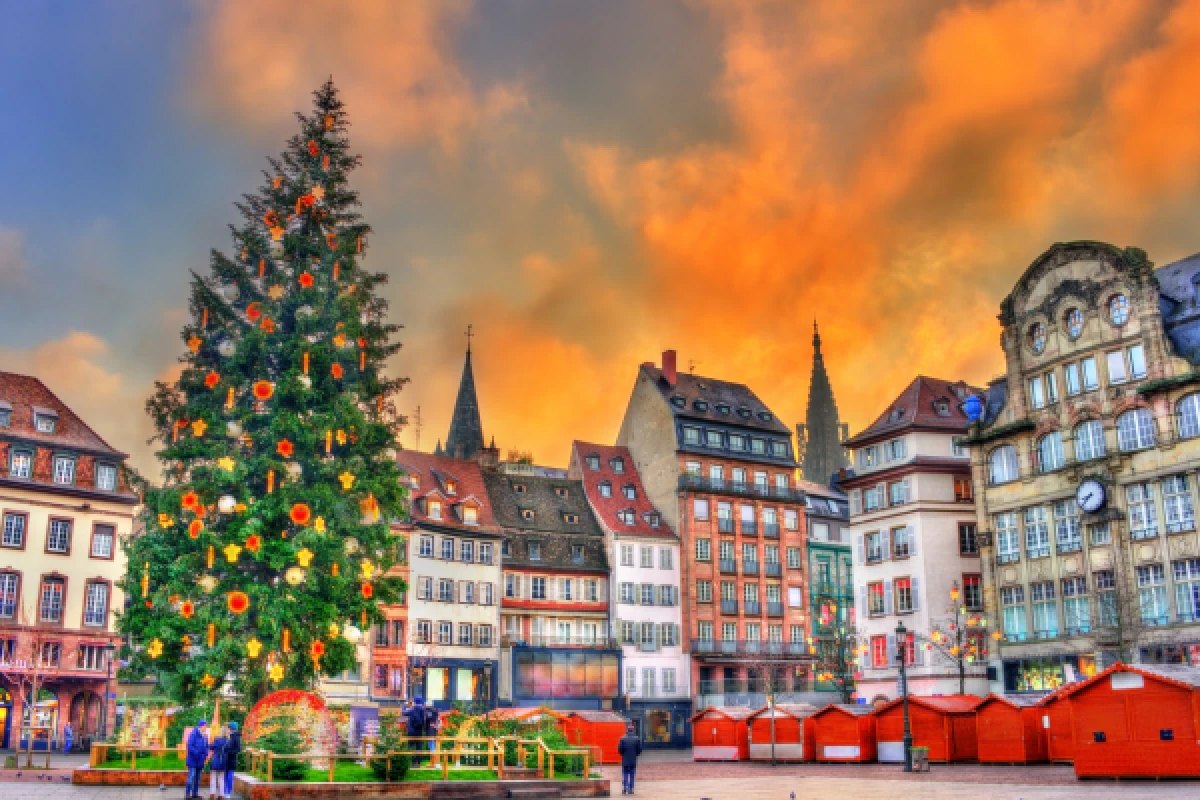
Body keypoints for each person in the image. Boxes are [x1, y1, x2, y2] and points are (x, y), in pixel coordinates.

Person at [184, 720, 209, 800]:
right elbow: (189, 745)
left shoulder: (205, 735)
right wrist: (197, 753)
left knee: (198, 778)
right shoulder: (194, 733)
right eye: (205, 726)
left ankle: (195, 794)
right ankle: (187, 794)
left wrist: (205, 755)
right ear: (201, 726)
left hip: (200, 760)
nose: (206, 727)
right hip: (193, 759)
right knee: (191, 777)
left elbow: (206, 747)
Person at [616, 724, 642, 795]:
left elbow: (619, 750)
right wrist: (635, 754)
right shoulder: (637, 739)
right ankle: (631, 789)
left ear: (627, 730)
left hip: (625, 760)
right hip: (633, 760)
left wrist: (623, 755)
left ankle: (625, 788)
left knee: (625, 774)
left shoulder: (622, 739)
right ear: (633, 730)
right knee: (632, 775)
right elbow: (639, 750)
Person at [208, 725, 230, 800]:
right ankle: (221, 796)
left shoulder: (217, 740)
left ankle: (212, 795)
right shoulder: (228, 741)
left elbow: (211, 747)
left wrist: (210, 744)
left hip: (216, 761)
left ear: (220, 732)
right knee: (221, 779)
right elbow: (229, 751)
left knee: (213, 778)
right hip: (223, 762)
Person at [223, 722, 241, 797]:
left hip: (231, 759)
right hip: (226, 759)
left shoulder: (236, 737)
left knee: (229, 776)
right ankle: (224, 791)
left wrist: (229, 752)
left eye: (229, 727)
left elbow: (238, 749)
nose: (228, 729)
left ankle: (227, 792)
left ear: (231, 728)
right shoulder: (229, 736)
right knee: (225, 775)